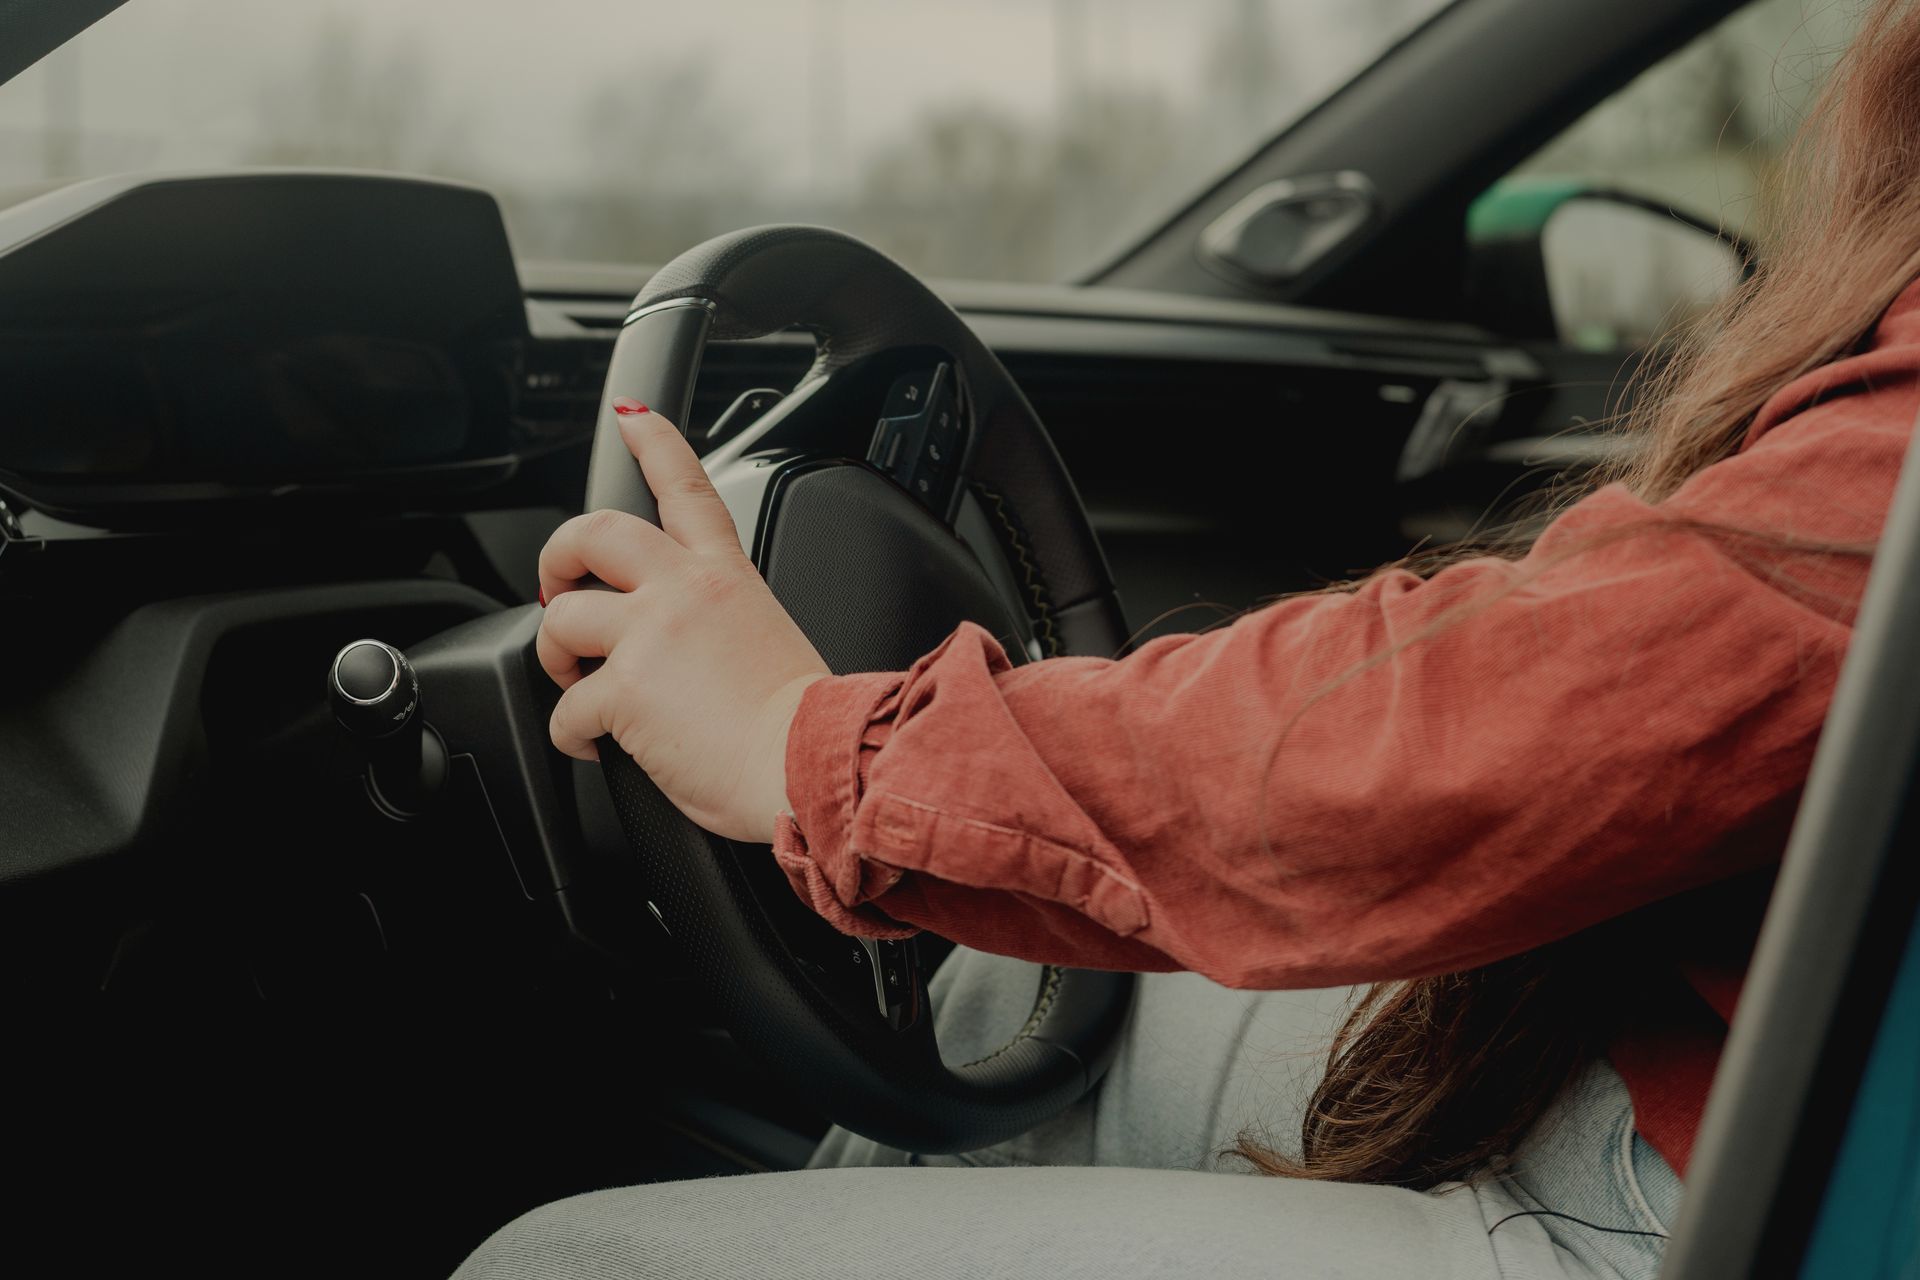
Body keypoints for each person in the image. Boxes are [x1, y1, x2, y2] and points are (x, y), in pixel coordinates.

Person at [455, 4, 1920, 1276]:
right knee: (1025, 1011)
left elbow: (1501, 721)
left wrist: (809, 746)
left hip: (1764, 1207)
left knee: (564, 1262)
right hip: (1735, 1086)